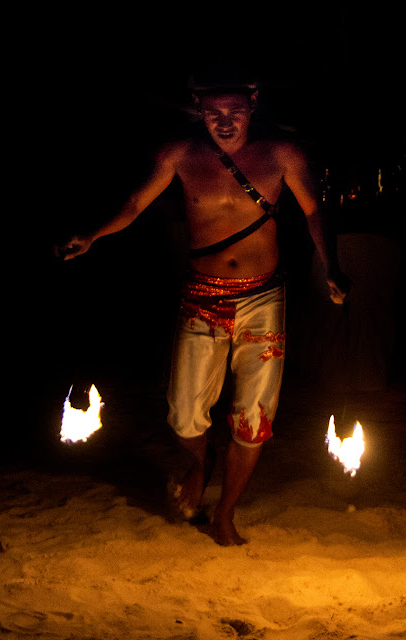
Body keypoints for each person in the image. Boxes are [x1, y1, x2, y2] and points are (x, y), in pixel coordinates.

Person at [55, 73, 349, 546]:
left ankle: (225, 514)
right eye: (213, 113)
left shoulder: (281, 154)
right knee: (184, 414)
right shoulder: (179, 154)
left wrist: (330, 265)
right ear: (197, 107)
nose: (224, 122)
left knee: (254, 418)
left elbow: (314, 210)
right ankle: (200, 462)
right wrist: (93, 234)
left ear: (253, 104)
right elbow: (134, 203)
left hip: (262, 297)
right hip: (201, 296)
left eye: (234, 112)